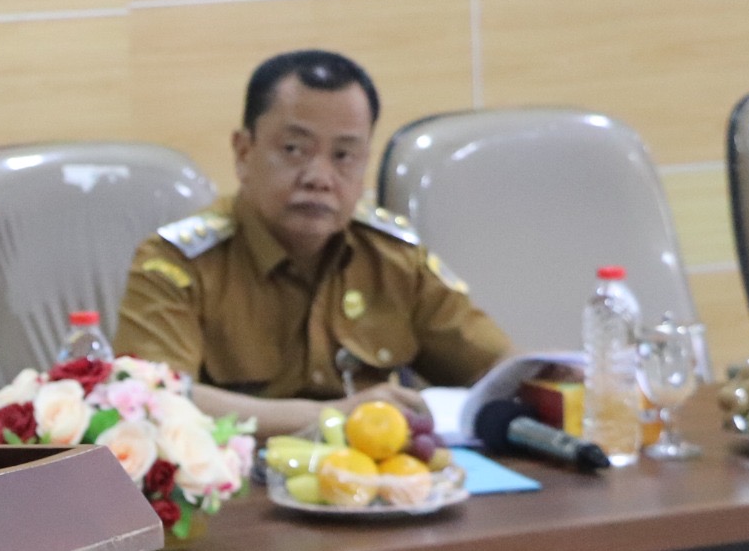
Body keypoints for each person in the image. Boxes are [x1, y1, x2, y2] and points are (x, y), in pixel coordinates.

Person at [114, 50, 510, 437]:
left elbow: (502, 369)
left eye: (343, 155)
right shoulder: (178, 264)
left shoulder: (394, 259)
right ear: (243, 152)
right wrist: (333, 416)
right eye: (294, 150)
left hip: (377, 491)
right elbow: (151, 399)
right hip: (239, 493)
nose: (319, 177)